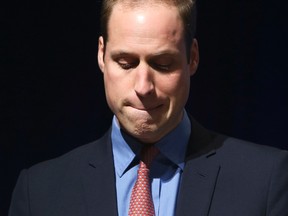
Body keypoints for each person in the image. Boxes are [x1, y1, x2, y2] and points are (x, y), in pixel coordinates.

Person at [9, 0, 288, 215]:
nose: (143, 86)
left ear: (192, 58)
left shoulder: (266, 181)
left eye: (162, 64)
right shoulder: (39, 192)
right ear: (101, 55)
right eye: (126, 63)